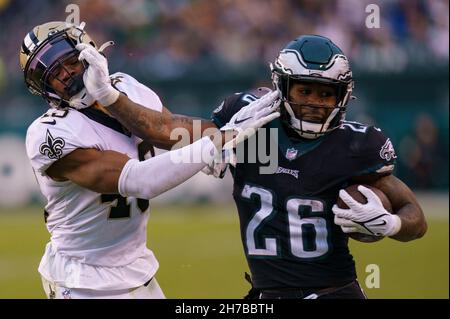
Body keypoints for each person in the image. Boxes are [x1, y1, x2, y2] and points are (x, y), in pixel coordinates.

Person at [97, 34, 428, 299]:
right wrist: (213, 143)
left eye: (326, 94)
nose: (314, 103)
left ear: (343, 95)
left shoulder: (356, 145)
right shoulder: (250, 123)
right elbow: (164, 130)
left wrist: (393, 224)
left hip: (331, 291)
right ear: (282, 87)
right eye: (305, 90)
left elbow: (414, 214)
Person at [20, 21, 279, 299]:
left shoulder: (124, 86)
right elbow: (139, 180)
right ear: (43, 86)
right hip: (82, 277)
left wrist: (214, 135)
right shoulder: (48, 134)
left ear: (88, 51)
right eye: (55, 73)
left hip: (136, 267)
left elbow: (165, 129)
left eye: (70, 61)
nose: (67, 74)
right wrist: (220, 141)